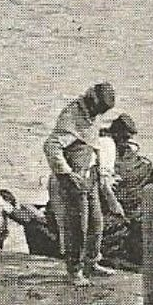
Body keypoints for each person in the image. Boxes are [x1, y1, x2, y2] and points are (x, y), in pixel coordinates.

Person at [42, 83, 121, 286]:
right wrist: (67, 173)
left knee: (96, 223)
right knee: (77, 226)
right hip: (74, 179)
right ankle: (74, 269)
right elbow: (51, 146)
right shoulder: (72, 115)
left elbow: (93, 144)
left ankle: (91, 262)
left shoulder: (92, 116)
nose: (98, 114)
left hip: (90, 175)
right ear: (91, 102)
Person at [95, 114, 153, 263]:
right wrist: (115, 205)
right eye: (124, 138)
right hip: (117, 202)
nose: (126, 142)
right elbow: (104, 182)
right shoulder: (106, 146)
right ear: (117, 134)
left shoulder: (125, 150)